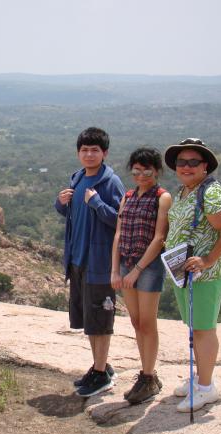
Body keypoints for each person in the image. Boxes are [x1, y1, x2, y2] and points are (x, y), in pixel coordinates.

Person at [164, 138, 221, 412]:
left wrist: (207, 260)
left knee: (204, 329)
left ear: (205, 166)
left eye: (193, 162)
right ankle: (200, 378)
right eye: (181, 162)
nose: (186, 166)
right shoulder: (186, 191)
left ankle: (207, 388)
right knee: (195, 326)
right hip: (186, 273)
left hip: (205, 275)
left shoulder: (210, 192)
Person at [55, 127, 125, 397]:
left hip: (99, 263)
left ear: (104, 153)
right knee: (89, 319)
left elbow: (120, 220)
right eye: (84, 150)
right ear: (78, 153)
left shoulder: (110, 183)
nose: (89, 154)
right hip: (78, 259)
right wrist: (61, 204)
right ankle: (100, 367)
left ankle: (100, 374)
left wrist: (97, 203)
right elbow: (72, 214)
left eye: (94, 150)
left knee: (100, 319)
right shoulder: (78, 178)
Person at [110, 147, 171, 404]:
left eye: (147, 170)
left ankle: (148, 376)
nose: (141, 174)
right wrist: (116, 270)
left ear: (157, 171)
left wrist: (136, 270)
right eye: (137, 170)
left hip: (148, 267)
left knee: (148, 323)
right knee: (136, 323)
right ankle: (146, 376)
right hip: (126, 262)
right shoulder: (128, 196)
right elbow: (118, 234)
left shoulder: (162, 197)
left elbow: (159, 238)